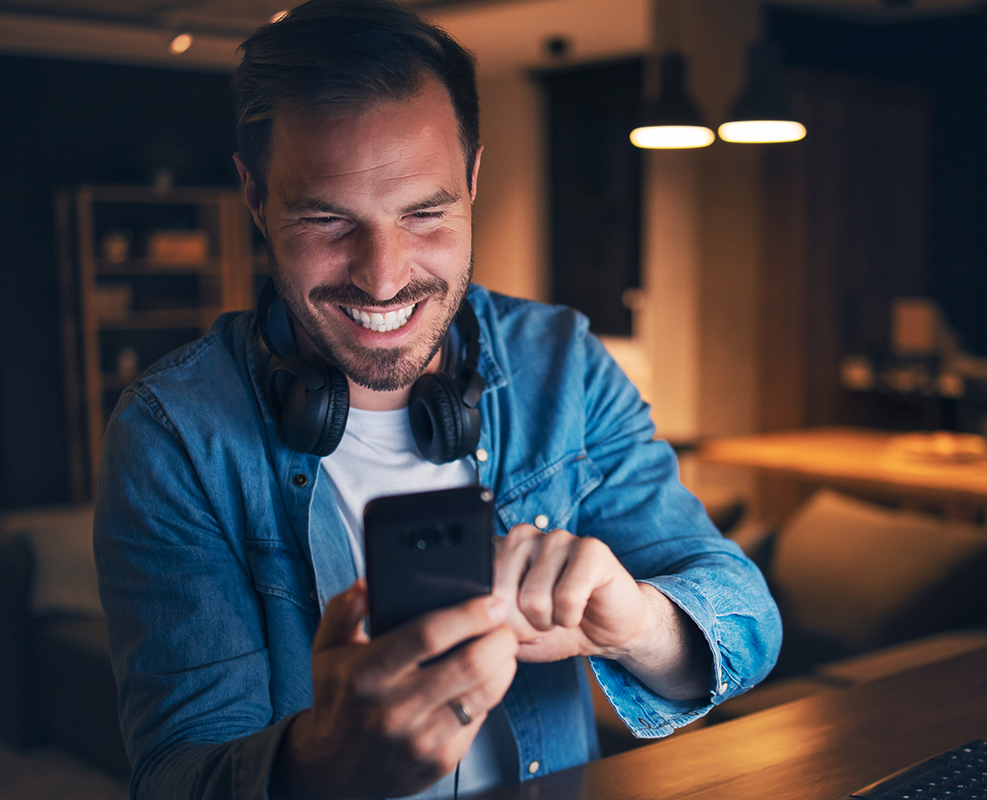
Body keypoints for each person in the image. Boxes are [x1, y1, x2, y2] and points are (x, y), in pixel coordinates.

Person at [93, 1, 782, 798]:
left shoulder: (563, 363)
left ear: (474, 180)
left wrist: (637, 622)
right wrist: (321, 759)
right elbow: (178, 774)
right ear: (255, 196)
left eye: (426, 213)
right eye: (327, 218)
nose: (383, 278)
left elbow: (745, 619)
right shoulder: (170, 434)